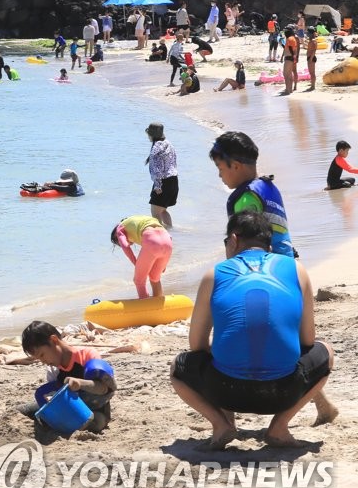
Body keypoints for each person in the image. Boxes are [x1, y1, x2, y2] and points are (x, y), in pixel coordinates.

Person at [170, 212, 334, 449]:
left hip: (225, 391)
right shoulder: (296, 270)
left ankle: (221, 424)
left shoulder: (214, 275)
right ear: (269, 245)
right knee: (326, 352)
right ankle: (280, 425)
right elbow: (307, 339)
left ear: (234, 240)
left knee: (179, 367)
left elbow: (196, 345)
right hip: (284, 392)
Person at [17, 320, 117, 434]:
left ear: (54, 340)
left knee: (97, 423)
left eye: (42, 355)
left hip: (94, 407)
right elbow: (56, 399)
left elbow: (104, 388)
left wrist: (80, 384)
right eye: (38, 359)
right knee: (23, 410)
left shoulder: (87, 355)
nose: (43, 361)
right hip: (69, 410)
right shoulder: (53, 370)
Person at [209, 131, 295, 257]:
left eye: (220, 169)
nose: (219, 175)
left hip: (266, 268)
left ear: (235, 166)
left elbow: (246, 248)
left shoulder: (247, 199)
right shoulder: (269, 187)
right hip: (286, 260)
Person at [111, 215, 173, 299]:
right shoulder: (139, 221)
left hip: (151, 240)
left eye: (118, 243)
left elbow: (125, 246)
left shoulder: (119, 228)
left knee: (139, 280)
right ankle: (158, 300)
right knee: (154, 277)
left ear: (115, 237)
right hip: (167, 241)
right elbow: (166, 239)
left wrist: (136, 264)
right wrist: (163, 264)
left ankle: (145, 304)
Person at [145, 122, 178, 229]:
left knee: (155, 214)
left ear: (152, 135)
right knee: (163, 211)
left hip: (163, 182)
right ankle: (171, 232)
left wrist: (158, 185)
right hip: (173, 180)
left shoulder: (156, 149)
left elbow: (156, 168)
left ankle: (161, 238)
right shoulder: (168, 143)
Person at [281, 26, 299, 95]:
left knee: (286, 74)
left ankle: (288, 90)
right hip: (290, 58)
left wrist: (293, 57)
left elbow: (292, 49)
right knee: (289, 75)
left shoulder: (290, 39)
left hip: (289, 58)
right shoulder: (292, 38)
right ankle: (290, 89)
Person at [305, 26, 318, 92]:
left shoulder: (313, 41)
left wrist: (311, 58)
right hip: (310, 57)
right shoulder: (311, 40)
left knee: (312, 73)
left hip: (311, 58)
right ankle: (312, 85)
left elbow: (314, 50)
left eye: (308, 33)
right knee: (311, 72)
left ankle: (313, 86)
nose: (307, 34)